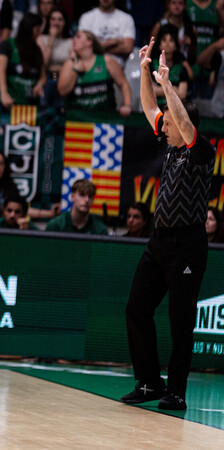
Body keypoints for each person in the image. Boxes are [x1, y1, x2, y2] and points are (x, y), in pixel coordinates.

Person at [120, 37, 215, 411]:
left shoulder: (200, 151)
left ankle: (176, 390)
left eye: (169, 123)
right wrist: (146, 71)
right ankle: (149, 382)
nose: (163, 127)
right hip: (159, 242)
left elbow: (184, 122)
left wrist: (167, 83)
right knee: (136, 308)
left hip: (187, 245)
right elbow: (148, 106)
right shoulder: (171, 146)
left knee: (180, 321)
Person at [57, 30, 132, 117]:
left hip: (105, 117)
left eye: (78, 37)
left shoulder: (106, 61)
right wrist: (75, 71)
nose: (74, 39)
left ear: (89, 42)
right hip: (78, 119)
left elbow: (123, 84)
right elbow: (62, 91)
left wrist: (127, 105)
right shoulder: (70, 64)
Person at [0, 13, 46, 107]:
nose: (40, 33)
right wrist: (4, 93)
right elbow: (0, 70)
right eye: (37, 30)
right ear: (28, 29)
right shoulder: (7, 45)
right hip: (8, 104)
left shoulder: (37, 50)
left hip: (30, 106)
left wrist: (39, 85)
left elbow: (43, 76)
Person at [77, 0, 135, 67]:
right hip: (90, 66)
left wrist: (95, 47)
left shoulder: (126, 18)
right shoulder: (87, 17)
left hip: (118, 66)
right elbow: (81, 46)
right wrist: (110, 43)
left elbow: (128, 48)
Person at [149, 25, 192, 106]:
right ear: (159, 45)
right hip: (156, 107)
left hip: (176, 108)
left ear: (176, 46)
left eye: (171, 40)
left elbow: (182, 94)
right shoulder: (151, 64)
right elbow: (149, 90)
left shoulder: (181, 67)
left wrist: (159, 90)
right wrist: (172, 89)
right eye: (164, 40)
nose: (167, 43)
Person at [38, 8, 71, 106]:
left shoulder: (71, 42)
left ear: (65, 23)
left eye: (60, 20)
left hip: (63, 79)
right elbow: (44, 63)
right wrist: (51, 39)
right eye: (53, 19)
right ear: (48, 21)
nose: (56, 23)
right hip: (46, 78)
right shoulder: (41, 39)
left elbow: (72, 66)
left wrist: (58, 69)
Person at [150, 0, 196, 65]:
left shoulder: (191, 28)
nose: (177, 6)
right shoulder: (159, 25)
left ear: (185, 6)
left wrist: (190, 45)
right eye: (173, 3)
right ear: (168, 5)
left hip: (183, 65)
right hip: (160, 63)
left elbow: (194, 56)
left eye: (180, 3)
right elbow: (152, 49)